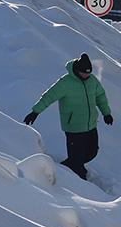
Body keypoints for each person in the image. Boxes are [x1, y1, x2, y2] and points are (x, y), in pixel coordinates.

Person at [23, 53, 113, 181]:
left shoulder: (92, 80)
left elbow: (100, 96)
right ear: (78, 70)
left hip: (91, 125)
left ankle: (65, 167)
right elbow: (49, 96)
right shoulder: (65, 82)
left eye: (88, 73)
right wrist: (35, 112)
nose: (86, 75)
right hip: (74, 127)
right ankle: (80, 183)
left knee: (92, 152)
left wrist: (106, 113)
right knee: (77, 160)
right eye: (84, 73)